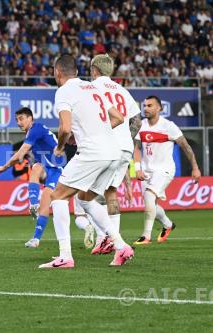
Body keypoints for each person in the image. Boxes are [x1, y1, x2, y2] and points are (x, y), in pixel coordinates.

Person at [38, 54, 133, 269]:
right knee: (86, 199)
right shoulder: (93, 87)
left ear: (57, 72)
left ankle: (65, 256)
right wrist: (97, 130)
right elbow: (118, 117)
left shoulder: (63, 91)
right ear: (77, 72)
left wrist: (61, 146)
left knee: (57, 197)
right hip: (113, 152)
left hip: (92, 152)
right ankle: (121, 245)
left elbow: (64, 128)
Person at [73, 54, 143, 254]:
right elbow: (137, 122)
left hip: (103, 146)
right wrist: (125, 139)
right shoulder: (123, 90)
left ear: (94, 70)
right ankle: (112, 239)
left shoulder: (91, 88)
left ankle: (106, 237)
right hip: (124, 147)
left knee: (83, 194)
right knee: (111, 192)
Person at [133, 95, 201, 244]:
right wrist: (137, 168)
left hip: (164, 169)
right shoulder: (141, 125)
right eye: (145, 105)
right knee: (151, 204)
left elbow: (186, 147)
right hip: (147, 171)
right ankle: (168, 225)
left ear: (159, 108)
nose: (146, 108)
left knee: (150, 196)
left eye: (150, 105)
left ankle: (146, 236)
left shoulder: (168, 126)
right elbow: (136, 148)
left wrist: (195, 168)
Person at [0, 107, 63, 248]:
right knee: (36, 167)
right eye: (16, 120)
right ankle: (34, 213)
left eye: (21, 119)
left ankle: (35, 208)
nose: (18, 122)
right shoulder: (30, 133)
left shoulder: (36, 129)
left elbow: (22, 152)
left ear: (30, 118)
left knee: (46, 199)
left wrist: (5, 166)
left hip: (59, 170)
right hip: (48, 167)